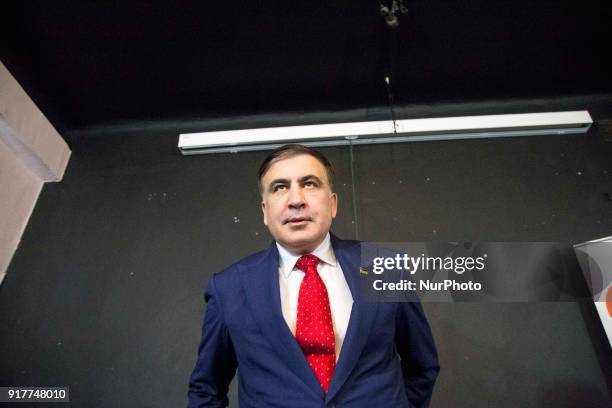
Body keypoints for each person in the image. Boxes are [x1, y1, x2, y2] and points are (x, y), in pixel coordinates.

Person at [188, 144, 439, 407]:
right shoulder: (229, 288)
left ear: (332, 204)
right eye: (280, 187)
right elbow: (206, 390)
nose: (296, 200)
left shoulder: (385, 268)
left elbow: (421, 366)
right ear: (265, 211)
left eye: (309, 184)